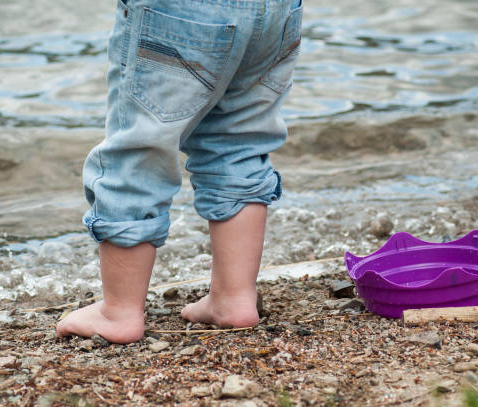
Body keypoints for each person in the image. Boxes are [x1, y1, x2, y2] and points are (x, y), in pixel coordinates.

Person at [56, 0, 303, 344]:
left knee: (141, 147)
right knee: (240, 141)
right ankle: (234, 298)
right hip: (275, 12)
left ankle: (119, 311)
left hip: (181, 11)